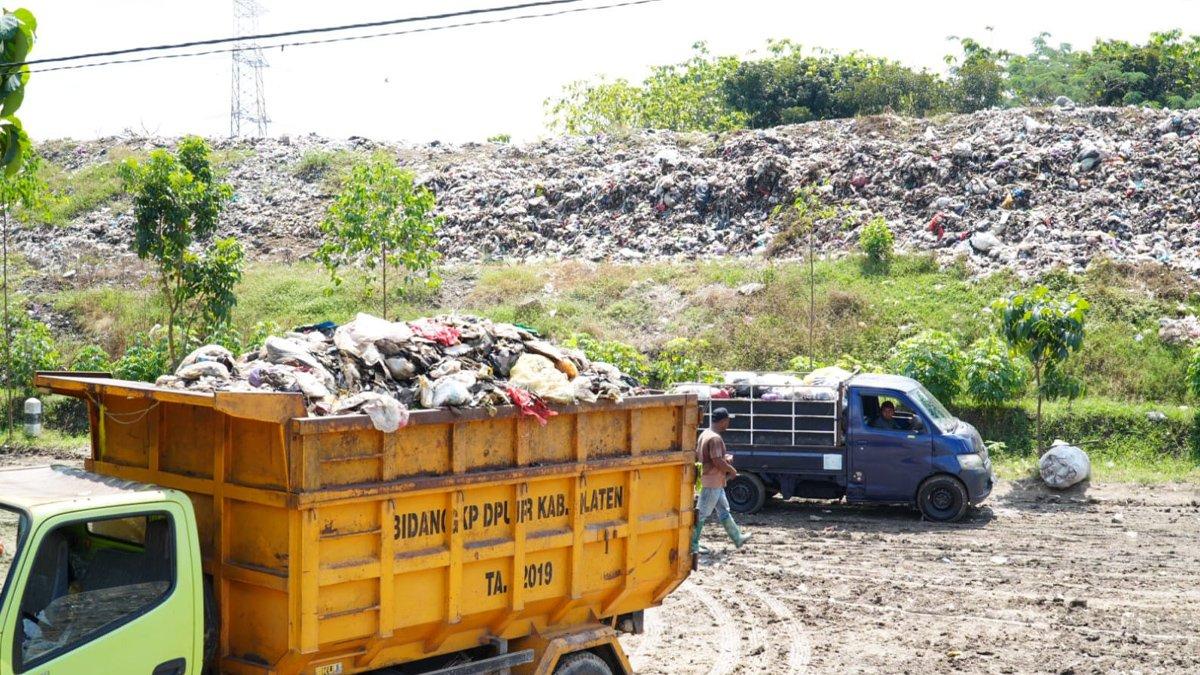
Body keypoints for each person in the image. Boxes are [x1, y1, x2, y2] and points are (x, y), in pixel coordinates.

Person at [692, 407, 751, 552]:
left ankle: (737, 537)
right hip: (711, 481)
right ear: (723, 421)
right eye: (728, 421)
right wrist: (731, 470)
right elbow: (717, 461)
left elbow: (709, 458)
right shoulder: (715, 438)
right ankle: (692, 544)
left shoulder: (705, 433)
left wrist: (725, 459)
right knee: (702, 513)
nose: (728, 424)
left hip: (711, 480)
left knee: (724, 510)